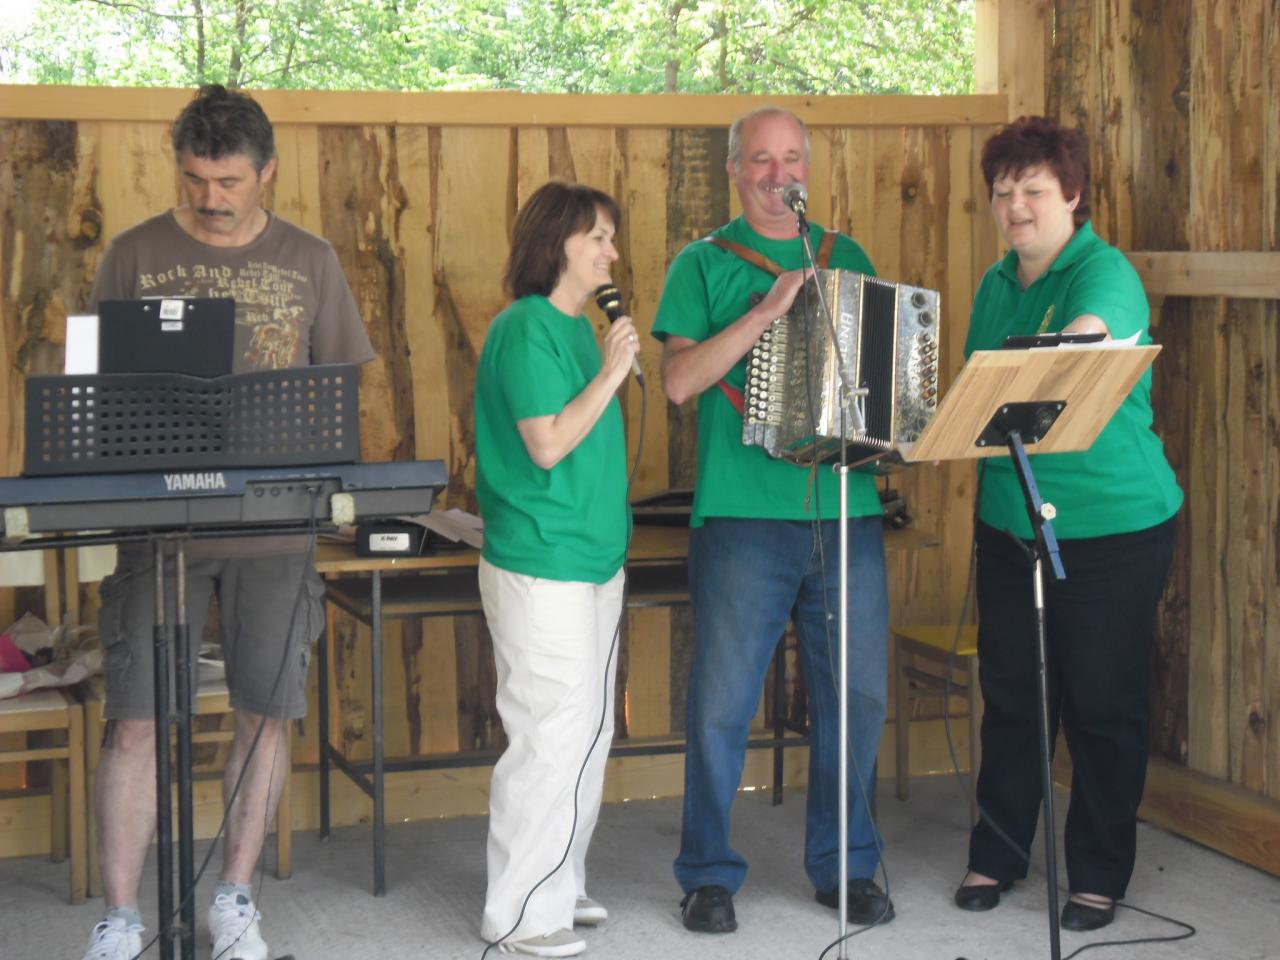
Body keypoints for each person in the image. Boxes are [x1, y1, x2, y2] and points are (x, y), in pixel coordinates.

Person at [82, 85, 375, 960]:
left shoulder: (310, 259)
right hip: (157, 529)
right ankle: (121, 920)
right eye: (195, 179)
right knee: (136, 720)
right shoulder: (133, 254)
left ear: (267, 172)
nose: (210, 199)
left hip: (275, 529)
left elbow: (343, 388)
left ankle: (236, 900)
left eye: (229, 182)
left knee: (264, 714)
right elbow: (95, 388)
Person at [652, 106, 892, 934]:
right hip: (743, 519)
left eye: (791, 158)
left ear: (807, 170)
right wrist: (765, 311)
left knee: (855, 698)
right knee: (722, 705)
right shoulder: (703, 263)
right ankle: (707, 876)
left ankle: (847, 867)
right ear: (734, 170)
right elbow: (679, 382)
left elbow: (877, 385)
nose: (778, 174)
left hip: (847, 510)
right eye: (761, 159)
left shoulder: (846, 258)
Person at [952, 116, 1182, 932]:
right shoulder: (995, 283)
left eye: (1033, 190)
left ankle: (1097, 873)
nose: (1015, 206)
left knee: (1100, 702)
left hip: (1114, 525)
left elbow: (1092, 336)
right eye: (1002, 192)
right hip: (1010, 523)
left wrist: (1048, 356)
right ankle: (999, 851)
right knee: (1014, 695)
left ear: (1073, 195)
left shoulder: (1103, 270)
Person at [474, 180, 639, 958]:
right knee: (548, 736)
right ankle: (519, 916)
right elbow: (545, 444)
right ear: (556, 243)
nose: (612, 252)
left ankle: (559, 886)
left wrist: (606, 364)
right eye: (597, 237)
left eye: (611, 237)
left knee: (589, 733)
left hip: (595, 562)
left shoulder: (579, 330)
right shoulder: (524, 329)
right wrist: (610, 375)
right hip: (542, 564)